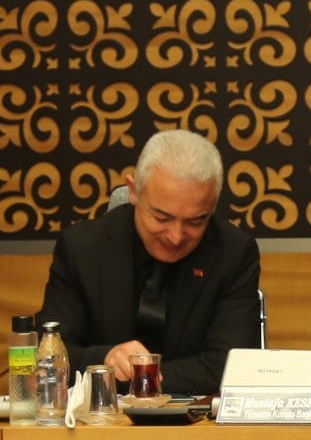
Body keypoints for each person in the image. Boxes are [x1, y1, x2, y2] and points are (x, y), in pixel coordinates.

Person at [34, 130, 260, 396]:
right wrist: (105, 359)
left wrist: (142, 375)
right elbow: (48, 356)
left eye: (195, 221)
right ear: (133, 192)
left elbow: (232, 366)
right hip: (99, 415)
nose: (175, 236)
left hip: (195, 416)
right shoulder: (82, 248)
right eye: (161, 218)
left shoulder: (233, 253)